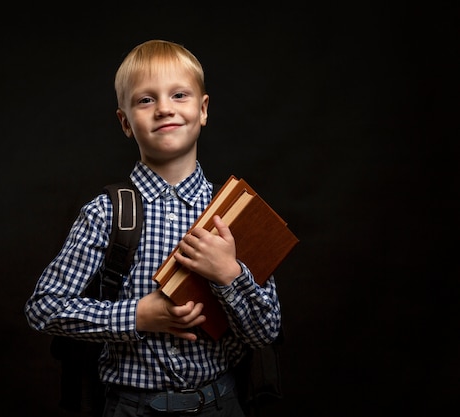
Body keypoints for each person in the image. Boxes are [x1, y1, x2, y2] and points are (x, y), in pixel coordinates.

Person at [24, 39, 282, 417]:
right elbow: (43, 308)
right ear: (125, 122)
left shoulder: (234, 212)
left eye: (179, 95)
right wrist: (137, 316)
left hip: (220, 403)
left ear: (203, 109)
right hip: (131, 406)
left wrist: (230, 274)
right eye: (146, 100)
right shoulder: (106, 214)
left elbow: (265, 333)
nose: (164, 109)